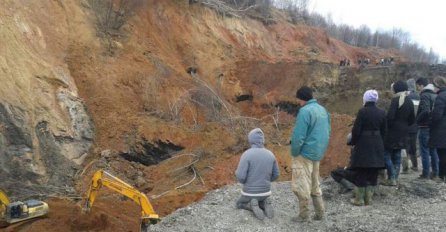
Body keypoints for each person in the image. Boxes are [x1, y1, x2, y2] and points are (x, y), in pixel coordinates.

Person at [290, 86, 330, 222]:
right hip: (317, 152)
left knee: (302, 184)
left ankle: (304, 215)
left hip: (304, 153)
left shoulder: (305, 111)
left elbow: (299, 136)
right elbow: (326, 132)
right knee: (315, 183)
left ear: (301, 99)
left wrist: (295, 151)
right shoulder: (322, 110)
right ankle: (320, 213)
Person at [349, 90, 387, 205]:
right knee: (373, 170)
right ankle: (369, 199)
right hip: (377, 142)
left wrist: (354, 142)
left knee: (362, 170)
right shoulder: (382, 112)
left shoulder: (362, 111)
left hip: (364, 143)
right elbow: (385, 131)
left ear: (365, 99)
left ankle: (359, 199)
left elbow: (356, 130)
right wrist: (381, 143)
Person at [235, 128, 280, 220]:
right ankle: (264, 202)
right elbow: (276, 174)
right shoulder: (270, 154)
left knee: (239, 204)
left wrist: (243, 180)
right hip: (266, 192)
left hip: (249, 193)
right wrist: (267, 180)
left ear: (250, 140)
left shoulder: (246, 154)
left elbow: (241, 176)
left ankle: (251, 206)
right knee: (260, 197)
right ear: (263, 140)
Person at [383, 81, 415, 186]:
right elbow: (412, 119)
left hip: (393, 132)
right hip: (404, 132)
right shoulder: (409, 101)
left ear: (396, 89)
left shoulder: (396, 100)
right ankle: (395, 179)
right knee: (397, 155)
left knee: (386, 154)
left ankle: (391, 176)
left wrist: (387, 126)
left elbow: (390, 117)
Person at [416, 77, 439, 179]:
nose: (418, 89)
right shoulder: (435, 95)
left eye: (418, 87)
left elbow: (425, 111)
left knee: (424, 150)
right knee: (433, 150)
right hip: (433, 127)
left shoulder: (424, 95)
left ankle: (425, 173)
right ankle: (435, 172)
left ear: (421, 85)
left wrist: (417, 120)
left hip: (424, 126)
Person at [429, 77, 446, 182]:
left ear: (437, 86)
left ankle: (441, 176)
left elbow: (437, 115)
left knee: (442, 153)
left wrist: (431, 123)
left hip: (442, 129)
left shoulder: (440, 97)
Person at [402, 78, 420, 173]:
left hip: (405, 125)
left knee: (404, 146)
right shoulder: (418, 96)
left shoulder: (405, 96)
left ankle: (405, 168)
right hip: (415, 126)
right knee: (413, 146)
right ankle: (415, 166)